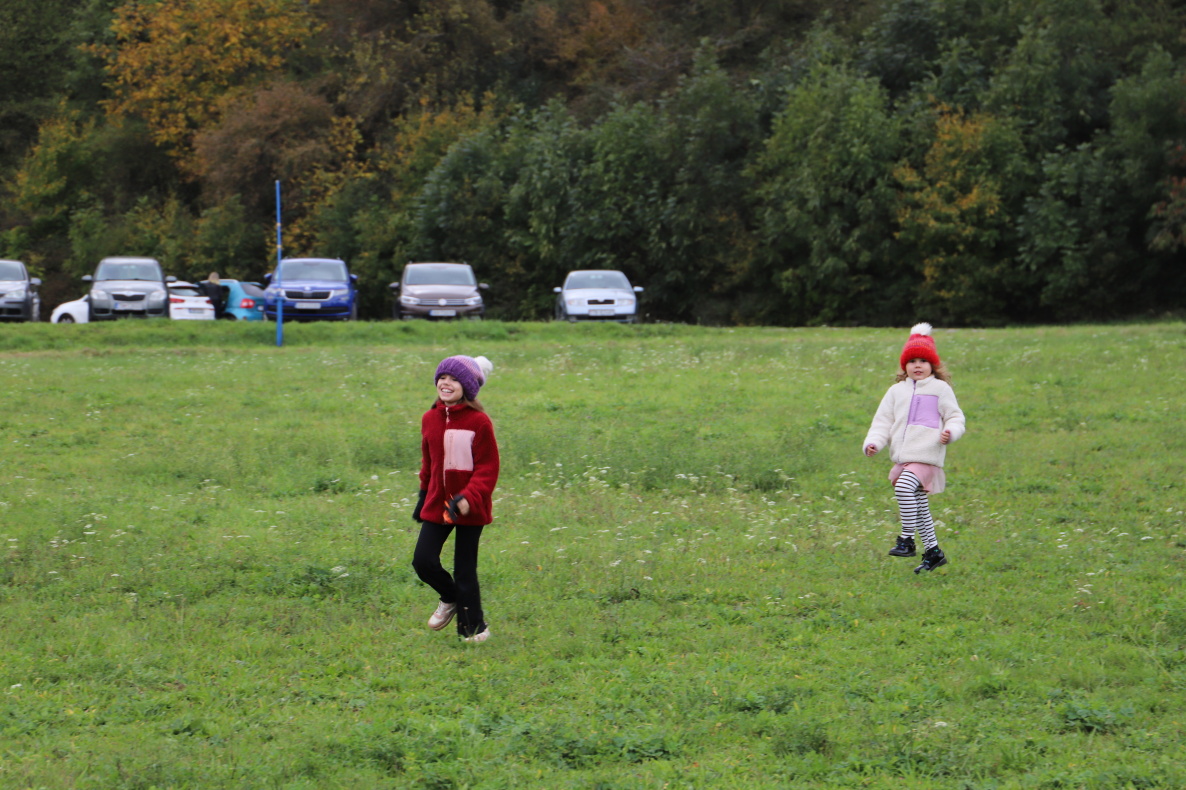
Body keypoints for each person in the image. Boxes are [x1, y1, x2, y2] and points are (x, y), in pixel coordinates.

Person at [863, 323, 966, 573]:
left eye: (923, 360)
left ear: (933, 365)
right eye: (911, 361)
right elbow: (883, 422)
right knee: (919, 506)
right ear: (904, 365)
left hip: (927, 455)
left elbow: (955, 417)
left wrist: (951, 432)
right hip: (903, 458)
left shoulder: (940, 389)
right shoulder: (895, 391)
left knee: (903, 487)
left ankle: (907, 540)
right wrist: (874, 442)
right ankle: (933, 552)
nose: (917, 365)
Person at [411, 354, 500, 642]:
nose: (445, 383)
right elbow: (428, 463)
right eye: (442, 377)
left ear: (467, 387)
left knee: (465, 570)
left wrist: (468, 497)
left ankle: (473, 631)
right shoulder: (429, 419)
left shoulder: (479, 422)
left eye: (454, 379)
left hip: (470, 507)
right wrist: (423, 496)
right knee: (423, 561)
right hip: (438, 503)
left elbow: (488, 468)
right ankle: (449, 597)